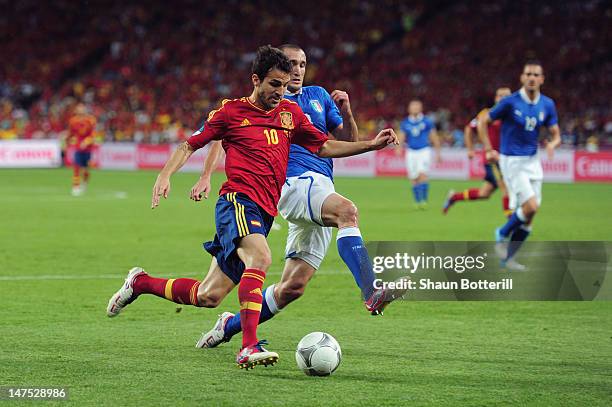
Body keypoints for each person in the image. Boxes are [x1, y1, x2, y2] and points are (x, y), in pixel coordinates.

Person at [106, 45, 398, 370]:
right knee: (260, 258)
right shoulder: (230, 112)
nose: (280, 92)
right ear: (256, 80)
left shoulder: (290, 114)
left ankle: (140, 282)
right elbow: (190, 143)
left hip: (264, 210)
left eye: (285, 85)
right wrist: (166, 174)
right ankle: (247, 346)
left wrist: (371, 144)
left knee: (208, 296)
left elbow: (325, 145)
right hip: (236, 201)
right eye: (274, 84)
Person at [192, 44, 405, 350]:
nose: (297, 70)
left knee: (292, 287)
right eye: (291, 64)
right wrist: (205, 176)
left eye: (302, 64)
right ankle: (372, 292)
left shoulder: (319, 96)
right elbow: (220, 136)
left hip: (320, 187)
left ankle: (229, 326)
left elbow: (345, 142)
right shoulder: (268, 103)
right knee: (347, 212)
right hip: (292, 183)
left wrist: (347, 111)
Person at [479, 61, 560, 270]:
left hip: (533, 161)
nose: (532, 77)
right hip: (512, 161)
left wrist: (553, 143)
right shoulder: (510, 102)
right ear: (522, 78)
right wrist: (488, 149)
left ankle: (508, 259)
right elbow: (482, 122)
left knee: (530, 217)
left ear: (542, 79)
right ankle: (502, 232)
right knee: (531, 206)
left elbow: (556, 133)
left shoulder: (547, 104)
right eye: (528, 74)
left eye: (536, 74)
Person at [442, 87, 512, 215]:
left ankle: (454, 197)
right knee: (506, 188)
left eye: (507, 96)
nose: (503, 98)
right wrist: (470, 149)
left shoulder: (514, 115)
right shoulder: (487, 114)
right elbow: (469, 128)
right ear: (496, 98)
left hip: (507, 158)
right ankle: (511, 225)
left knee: (484, 193)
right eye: (500, 96)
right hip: (492, 159)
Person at [397, 100, 441, 209]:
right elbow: (401, 136)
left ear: (421, 108)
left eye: (417, 106)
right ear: (409, 109)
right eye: (413, 106)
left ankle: (424, 201)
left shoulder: (427, 121)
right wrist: (398, 148)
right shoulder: (406, 122)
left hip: (424, 150)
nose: (415, 108)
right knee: (413, 177)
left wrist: (438, 152)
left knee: (423, 174)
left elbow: (434, 136)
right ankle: (417, 202)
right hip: (411, 152)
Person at [67, 104, 96, 196]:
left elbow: (93, 135)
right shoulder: (72, 121)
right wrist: (67, 141)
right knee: (76, 167)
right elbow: (71, 133)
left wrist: (86, 142)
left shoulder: (91, 120)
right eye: (79, 109)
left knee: (86, 169)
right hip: (78, 148)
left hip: (87, 149)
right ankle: (75, 186)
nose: (81, 110)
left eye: (82, 108)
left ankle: (85, 183)